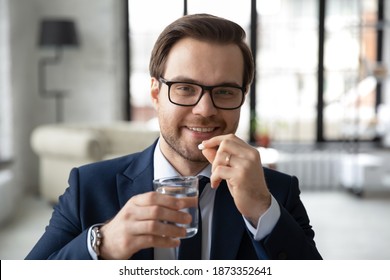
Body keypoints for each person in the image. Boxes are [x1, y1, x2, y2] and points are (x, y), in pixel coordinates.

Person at [26, 13, 322, 260]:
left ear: (242, 97)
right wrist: (102, 244)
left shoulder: (276, 192)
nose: (205, 110)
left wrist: (262, 210)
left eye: (224, 91)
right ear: (156, 93)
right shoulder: (88, 187)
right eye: (185, 88)